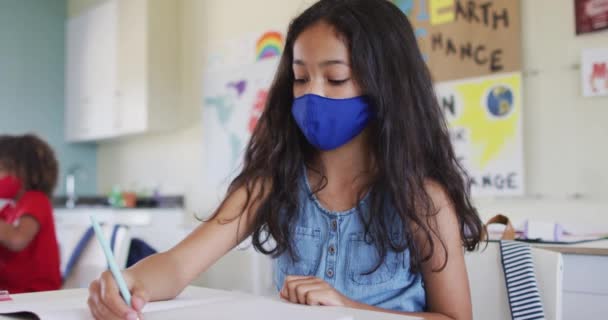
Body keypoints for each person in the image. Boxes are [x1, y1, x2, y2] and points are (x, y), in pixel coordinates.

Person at [88, 0, 483, 319]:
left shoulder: (422, 199)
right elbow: (177, 266)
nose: (312, 93)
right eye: (299, 77)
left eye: (336, 78)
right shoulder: (271, 183)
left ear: (388, 85)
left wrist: (349, 309)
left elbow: (455, 318)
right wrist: (128, 282)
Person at [0, 134, 61, 293]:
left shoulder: (35, 200)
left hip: (36, 293)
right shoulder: (8, 210)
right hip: (13, 292)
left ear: (26, 173)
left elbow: (17, 240)